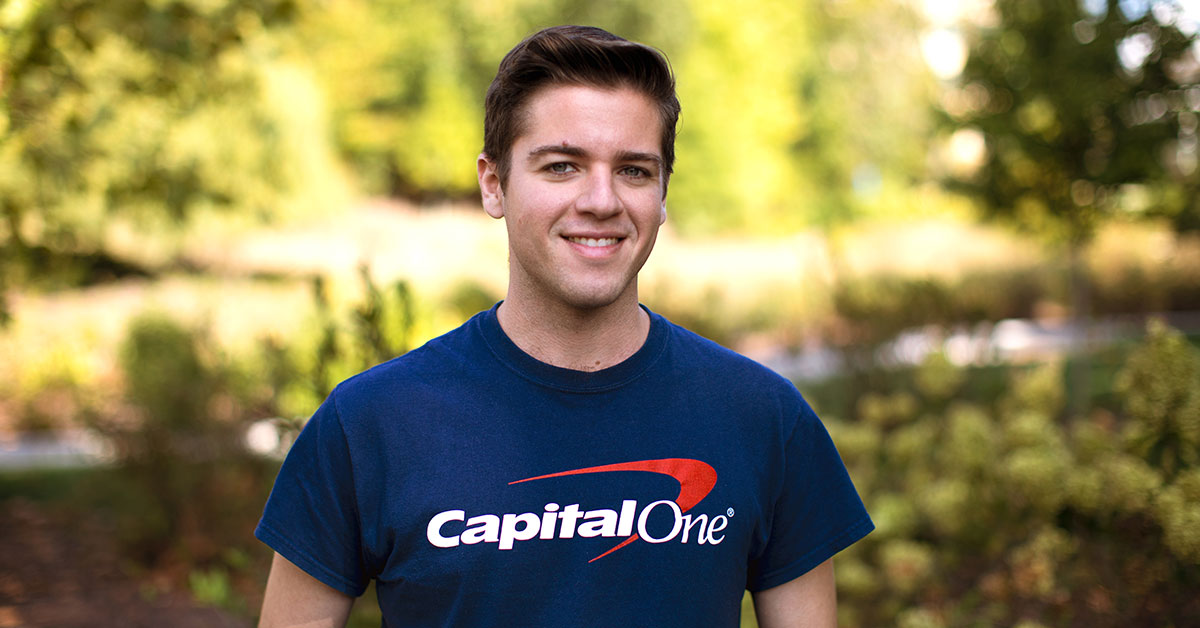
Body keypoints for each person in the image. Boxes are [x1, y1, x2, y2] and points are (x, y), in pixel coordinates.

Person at [255, 25, 872, 627]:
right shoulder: (369, 425)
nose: (602, 200)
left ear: (662, 194)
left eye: (634, 170)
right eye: (561, 167)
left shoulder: (763, 418)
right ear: (494, 184)